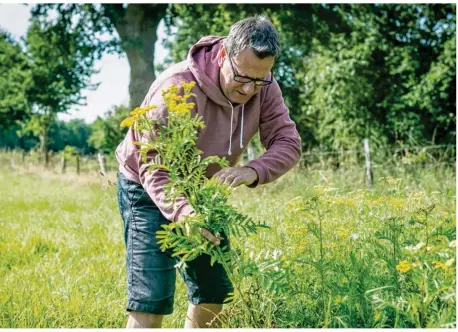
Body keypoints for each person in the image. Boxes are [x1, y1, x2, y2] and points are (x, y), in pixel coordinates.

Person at [115, 16, 302, 328]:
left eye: (259, 80)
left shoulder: (263, 85)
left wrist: (252, 171)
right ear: (222, 55)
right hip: (148, 186)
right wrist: (184, 213)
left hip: (204, 190)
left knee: (215, 290)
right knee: (152, 296)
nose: (249, 89)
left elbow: (288, 142)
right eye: (242, 78)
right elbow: (152, 162)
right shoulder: (176, 87)